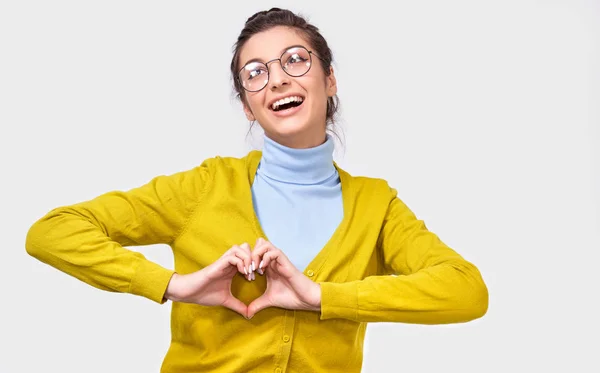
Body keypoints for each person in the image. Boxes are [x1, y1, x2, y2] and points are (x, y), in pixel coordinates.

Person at [25, 7, 489, 373]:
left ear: (329, 80)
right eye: (255, 73)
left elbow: (466, 290)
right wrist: (174, 286)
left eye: (295, 60)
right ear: (248, 107)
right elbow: (53, 231)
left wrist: (324, 297)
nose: (279, 79)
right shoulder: (205, 187)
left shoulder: (376, 205)